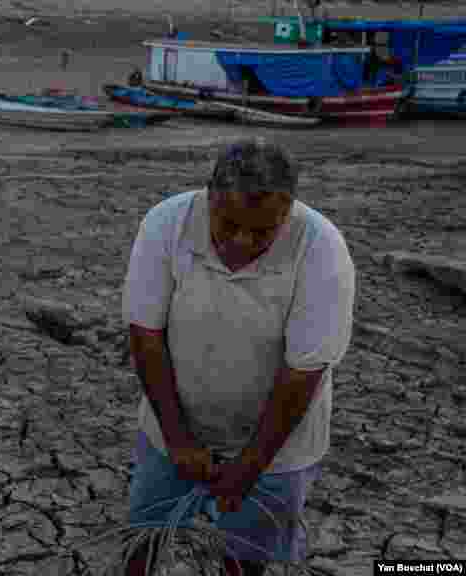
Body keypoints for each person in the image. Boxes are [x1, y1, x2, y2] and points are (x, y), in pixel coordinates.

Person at [121, 138, 355, 576]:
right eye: (227, 225)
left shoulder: (322, 247)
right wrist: (177, 440)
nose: (242, 242)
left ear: (288, 210)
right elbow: (146, 335)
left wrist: (250, 465)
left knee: (245, 557)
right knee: (143, 540)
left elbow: (303, 371)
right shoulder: (167, 222)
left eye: (264, 231)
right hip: (171, 427)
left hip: (277, 444)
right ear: (208, 198)